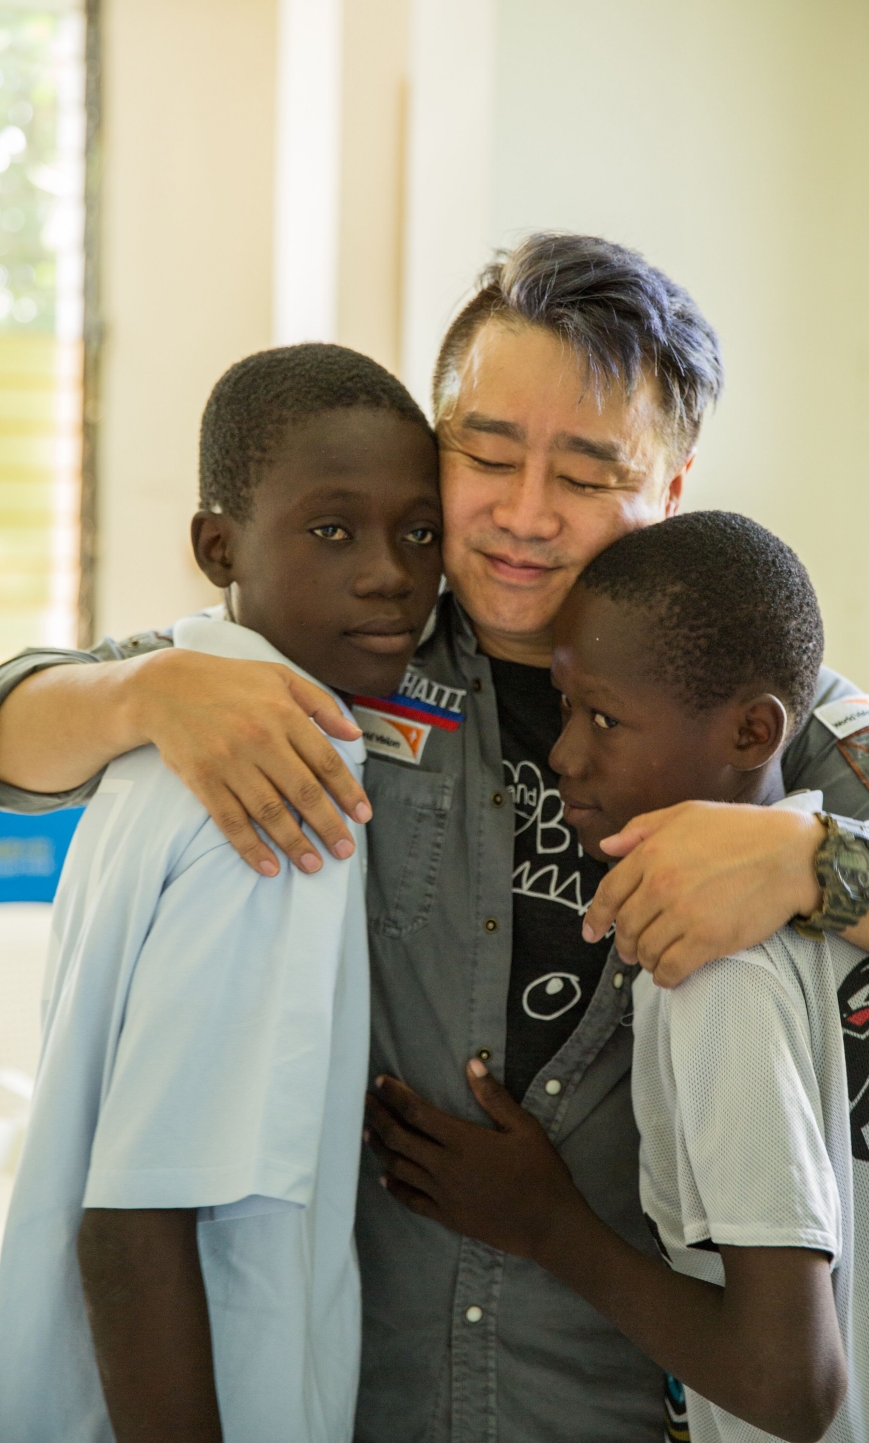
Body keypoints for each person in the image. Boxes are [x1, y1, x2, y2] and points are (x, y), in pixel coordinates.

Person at [0, 235, 869, 1442]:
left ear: (670, 488)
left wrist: (809, 863)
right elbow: (21, 716)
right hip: (361, 1388)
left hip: (621, 1396)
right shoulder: (342, 644)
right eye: (485, 454)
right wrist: (138, 695)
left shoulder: (745, 699)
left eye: (586, 477)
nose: (523, 517)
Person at [365, 512, 869, 1443]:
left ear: (755, 731)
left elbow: (790, 1385)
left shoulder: (717, 963)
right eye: (564, 709)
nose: (562, 755)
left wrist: (548, 1223)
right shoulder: (833, 893)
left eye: (603, 719)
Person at [0, 344, 444, 1443]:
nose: (389, 571)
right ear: (217, 545)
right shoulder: (274, 781)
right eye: (332, 530)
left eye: (420, 533)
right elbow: (135, 1225)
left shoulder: (175, 732)